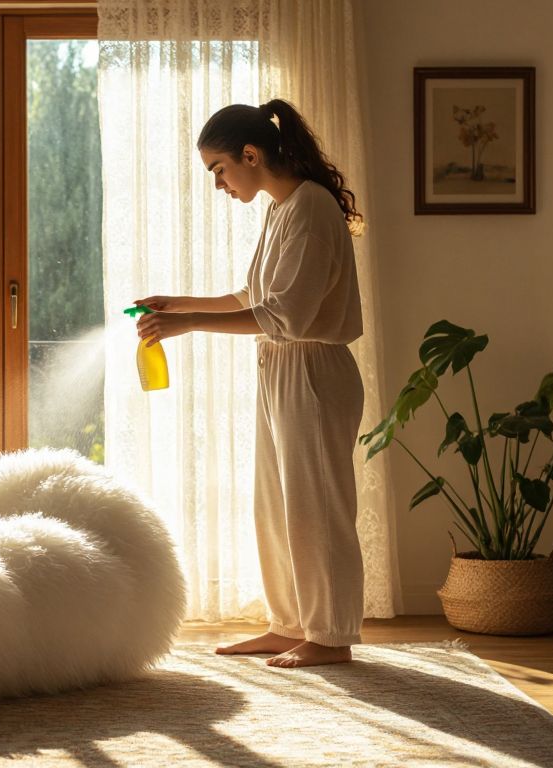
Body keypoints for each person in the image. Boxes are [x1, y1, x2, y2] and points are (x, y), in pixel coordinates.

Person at [134, 99, 365, 668]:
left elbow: (286, 314)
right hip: (282, 369)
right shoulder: (282, 209)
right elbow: (251, 299)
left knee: (316, 507)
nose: (219, 184)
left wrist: (187, 325)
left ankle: (330, 637)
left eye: (219, 170)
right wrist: (177, 303)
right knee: (278, 506)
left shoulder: (310, 207)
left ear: (251, 154)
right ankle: (291, 624)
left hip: (312, 369)